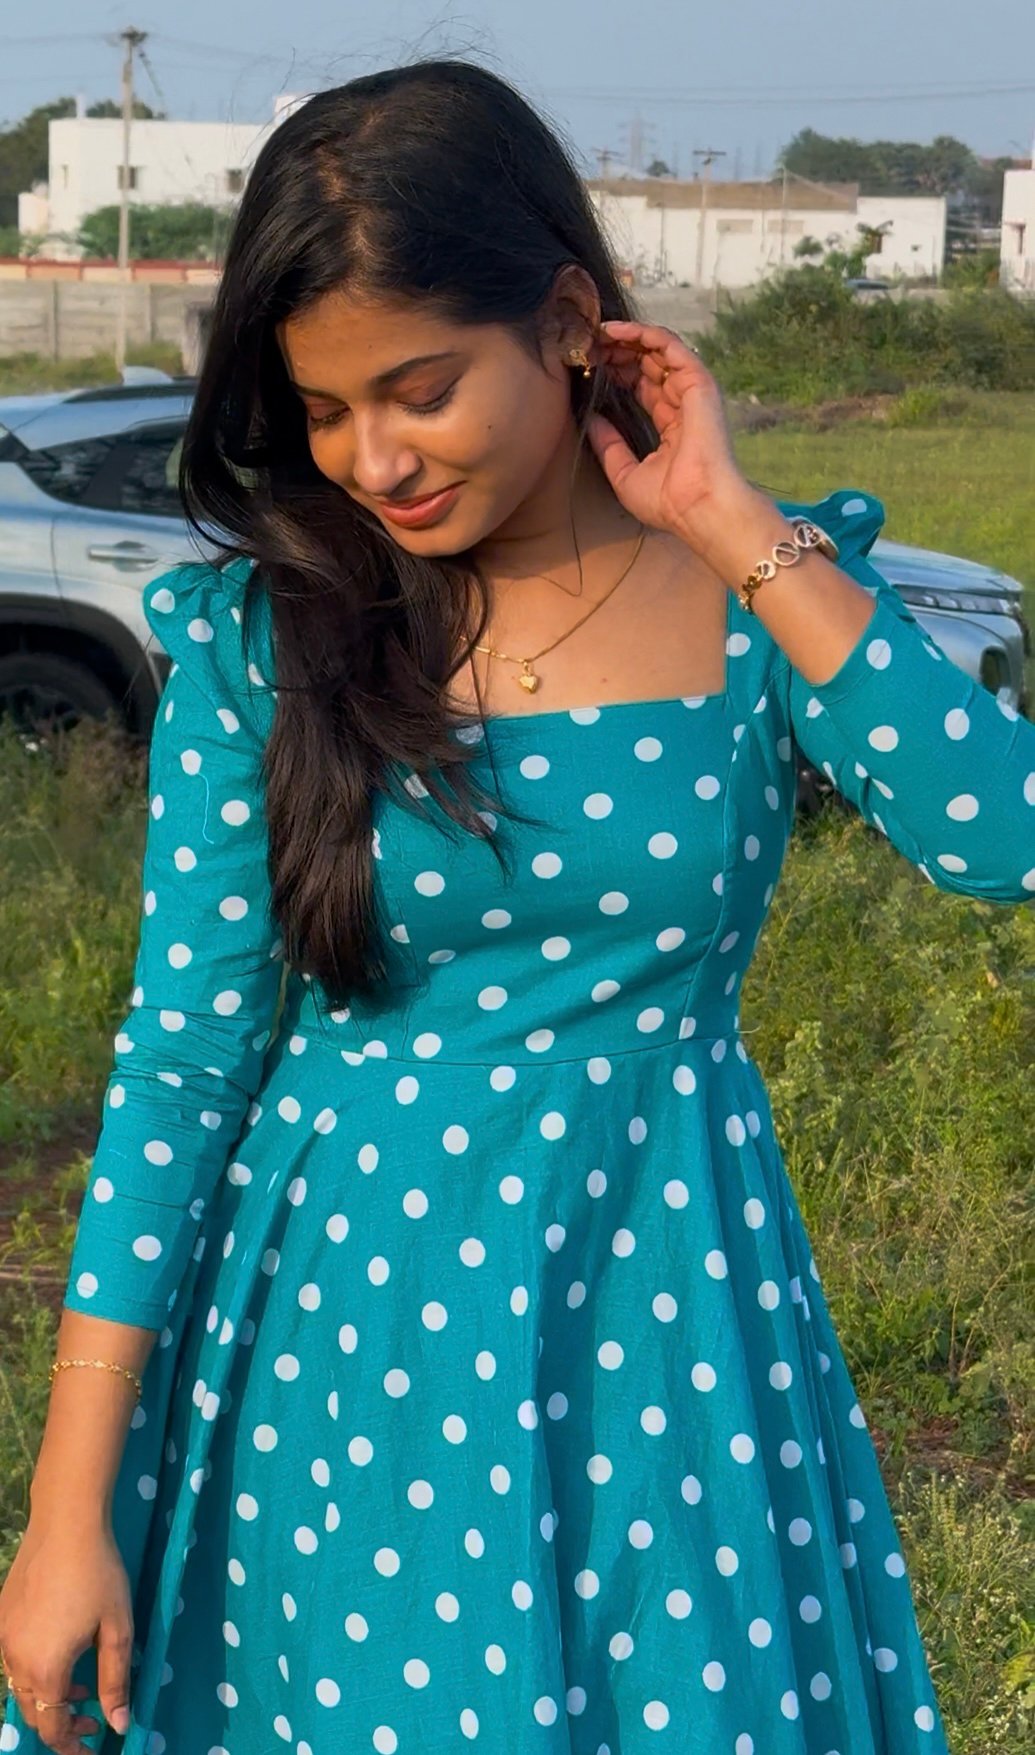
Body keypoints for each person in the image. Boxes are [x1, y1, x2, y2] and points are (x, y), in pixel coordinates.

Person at [1, 56, 1031, 1755]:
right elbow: (180, 1072)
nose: (374, 461)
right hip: (349, 1344)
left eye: (418, 391)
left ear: (565, 321)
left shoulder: (749, 593)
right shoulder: (273, 643)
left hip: (672, 1322)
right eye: (325, 412)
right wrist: (66, 1509)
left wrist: (729, 518)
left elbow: (1002, 835)